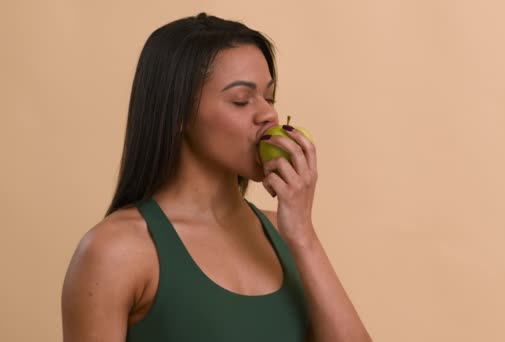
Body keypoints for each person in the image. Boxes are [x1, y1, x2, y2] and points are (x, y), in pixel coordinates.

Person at [61, 12, 372, 342]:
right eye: (241, 100)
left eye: (269, 97)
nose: (267, 114)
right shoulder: (117, 252)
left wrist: (303, 233)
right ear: (177, 112)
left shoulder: (286, 234)